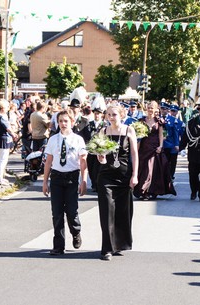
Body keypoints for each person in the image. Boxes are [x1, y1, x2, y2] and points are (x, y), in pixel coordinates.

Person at [42, 110, 88, 255]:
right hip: (56, 177)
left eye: (66, 121)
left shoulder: (78, 140)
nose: (63, 124)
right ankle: (58, 245)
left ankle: (75, 232)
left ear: (72, 122)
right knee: (57, 212)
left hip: (71, 177)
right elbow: (48, 161)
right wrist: (45, 182)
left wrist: (83, 181)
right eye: (60, 121)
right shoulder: (53, 140)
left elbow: (82, 162)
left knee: (71, 210)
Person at [96, 104, 138, 261]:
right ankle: (106, 248)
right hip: (106, 175)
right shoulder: (103, 131)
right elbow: (99, 154)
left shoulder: (129, 131)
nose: (111, 117)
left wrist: (135, 175)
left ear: (121, 115)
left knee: (122, 211)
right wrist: (101, 157)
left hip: (124, 175)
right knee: (106, 210)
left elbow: (134, 155)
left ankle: (119, 244)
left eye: (114, 114)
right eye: (108, 114)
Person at [133, 101, 176, 199]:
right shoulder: (141, 121)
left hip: (155, 148)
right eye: (149, 107)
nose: (150, 109)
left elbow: (161, 134)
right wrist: (136, 149)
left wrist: (160, 146)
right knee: (144, 169)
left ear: (156, 109)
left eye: (152, 108)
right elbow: (139, 136)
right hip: (144, 147)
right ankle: (143, 191)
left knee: (152, 170)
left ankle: (151, 190)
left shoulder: (158, 121)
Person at [0, 99, 18, 185]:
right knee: (2, 160)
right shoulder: (2, 117)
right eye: (7, 107)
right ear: (2, 108)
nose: (7, 109)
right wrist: (14, 134)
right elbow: (8, 128)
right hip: (3, 139)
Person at [163, 104, 184, 180]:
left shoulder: (179, 122)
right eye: (171, 111)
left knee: (173, 162)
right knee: (166, 162)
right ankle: (167, 176)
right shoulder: (165, 120)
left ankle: (171, 175)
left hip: (174, 145)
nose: (173, 112)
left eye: (174, 111)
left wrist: (181, 147)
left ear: (177, 112)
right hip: (166, 145)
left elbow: (181, 135)